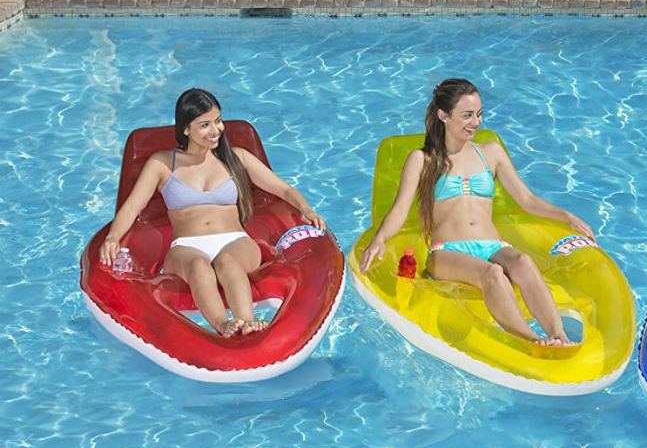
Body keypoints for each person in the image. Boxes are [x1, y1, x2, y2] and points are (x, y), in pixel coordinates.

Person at [359, 78, 594, 347]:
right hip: (447, 251)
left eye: (479, 114)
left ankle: (558, 336)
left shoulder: (491, 153)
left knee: (523, 262)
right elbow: (399, 210)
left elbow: (526, 200)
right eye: (467, 115)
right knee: (493, 273)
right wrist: (379, 239)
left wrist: (568, 217)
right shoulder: (422, 159)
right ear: (444, 115)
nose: (476, 122)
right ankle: (529, 340)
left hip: (493, 244)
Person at [99, 88, 325, 337]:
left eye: (218, 121)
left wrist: (306, 208)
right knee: (198, 266)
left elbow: (283, 189)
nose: (215, 130)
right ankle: (222, 325)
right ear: (185, 129)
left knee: (228, 262)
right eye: (205, 124)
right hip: (186, 245)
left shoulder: (236, 158)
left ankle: (246, 321)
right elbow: (132, 206)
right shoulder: (162, 163)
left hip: (234, 241)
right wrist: (112, 237)